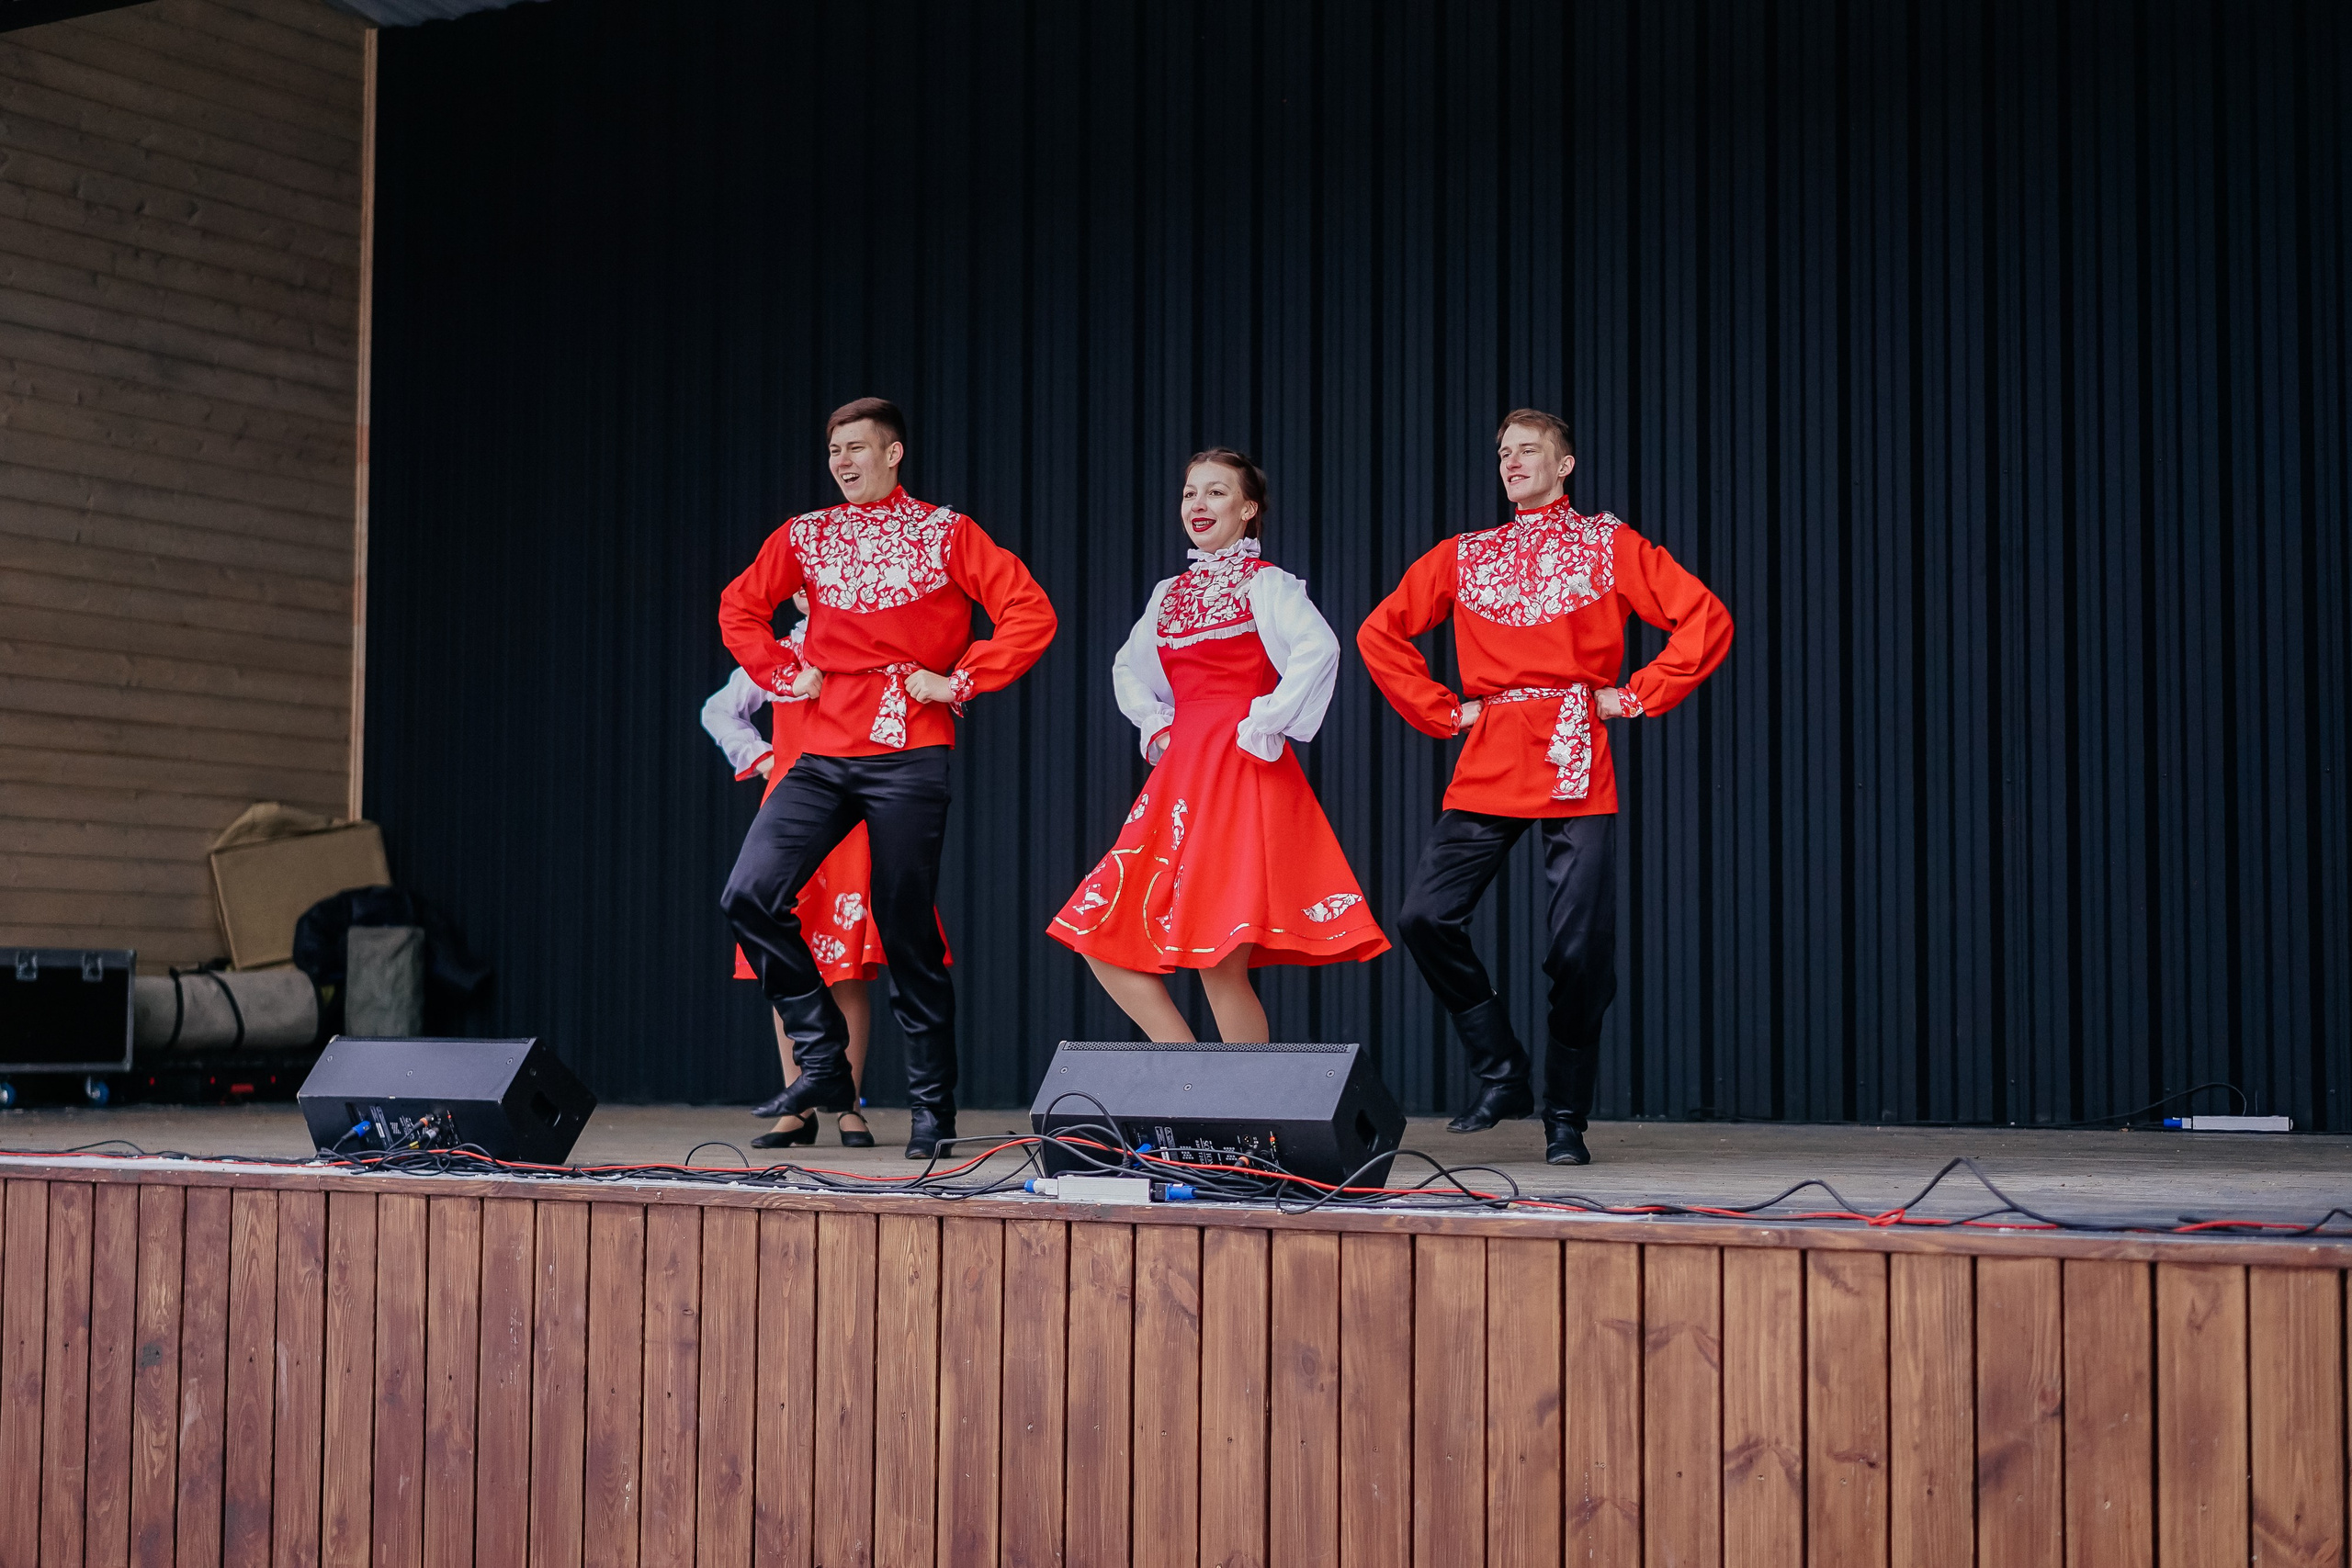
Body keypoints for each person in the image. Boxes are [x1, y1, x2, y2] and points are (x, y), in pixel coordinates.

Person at [1357, 410, 1732, 1165]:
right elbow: (1380, 631)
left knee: (1580, 950)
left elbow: (1704, 616)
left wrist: (1636, 693)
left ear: (1565, 466)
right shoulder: (1466, 554)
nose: (1512, 461)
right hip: (1493, 747)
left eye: (1529, 450)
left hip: (1571, 747)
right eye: (1504, 452)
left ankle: (1566, 1115)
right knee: (1424, 915)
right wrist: (1443, 709)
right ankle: (1502, 1070)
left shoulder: (1606, 543)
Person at [719, 398, 1057, 1158]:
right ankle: (822, 1060)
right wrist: (784, 672)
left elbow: (1029, 611)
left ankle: (934, 1109)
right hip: (824, 749)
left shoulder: (945, 531)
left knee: (906, 930)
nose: (842, 461)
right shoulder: (807, 533)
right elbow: (739, 606)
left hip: (908, 749)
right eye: (834, 449)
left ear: (894, 452)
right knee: (748, 893)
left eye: (857, 447)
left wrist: (960, 679)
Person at [1050, 448, 1386, 1042]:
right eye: (1190, 493)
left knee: (1218, 955)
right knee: (1097, 928)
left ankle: (1240, 1097)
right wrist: (1156, 724)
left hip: (1239, 770)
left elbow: (1320, 647)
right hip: (1183, 771)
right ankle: (1188, 1070)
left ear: (1248, 509)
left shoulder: (1268, 585)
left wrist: (1268, 718)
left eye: (1216, 492)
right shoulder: (1169, 594)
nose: (1198, 504)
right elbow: (1127, 667)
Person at [702, 590, 902, 1149]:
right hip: (791, 818)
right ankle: (798, 1106)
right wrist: (761, 756)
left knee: (845, 969)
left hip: (850, 820)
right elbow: (719, 709)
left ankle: (847, 1104)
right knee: (786, 960)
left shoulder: (868, 646)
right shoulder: (780, 655)